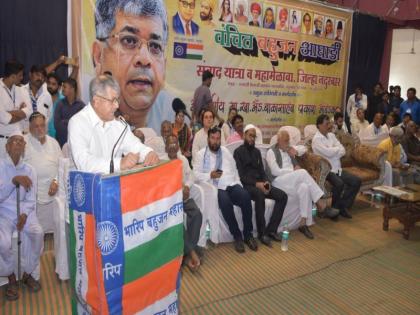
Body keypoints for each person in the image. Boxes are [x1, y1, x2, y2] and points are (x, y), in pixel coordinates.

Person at [92, 0, 173, 133]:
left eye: (155, 46)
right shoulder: (86, 130)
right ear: (98, 56)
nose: (145, 59)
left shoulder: (159, 137)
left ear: (164, 66)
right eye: (129, 40)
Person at [68, 75, 159, 173]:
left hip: (114, 185)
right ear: (96, 101)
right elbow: (84, 163)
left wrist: (148, 153)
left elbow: (135, 146)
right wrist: (119, 164)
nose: (117, 106)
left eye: (117, 100)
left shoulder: (119, 124)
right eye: (113, 100)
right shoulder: (78, 122)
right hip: (86, 186)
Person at [193, 127, 257, 253]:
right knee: (225, 202)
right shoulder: (201, 155)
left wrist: (238, 184)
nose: (215, 142)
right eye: (213, 138)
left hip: (231, 184)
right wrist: (209, 175)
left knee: (245, 197)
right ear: (208, 139)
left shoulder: (225, 152)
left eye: (218, 139)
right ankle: (237, 236)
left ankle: (248, 235)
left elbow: (235, 169)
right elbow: (195, 175)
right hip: (215, 187)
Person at [0, 133, 43, 300]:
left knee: (37, 233)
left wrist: (24, 214)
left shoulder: (30, 170)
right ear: (7, 146)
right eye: (14, 141)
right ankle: (10, 276)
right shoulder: (1, 167)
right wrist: (13, 181)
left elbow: (31, 199)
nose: (18, 143)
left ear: (24, 148)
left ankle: (27, 273)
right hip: (3, 213)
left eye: (21, 141)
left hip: (25, 213)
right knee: (2, 243)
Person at [234, 124, 288, 247]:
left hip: (261, 183)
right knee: (259, 194)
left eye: (254, 136)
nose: (252, 138)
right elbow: (241, 176)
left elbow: (262, 171)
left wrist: (266, 181)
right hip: (247, 185)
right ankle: (262, 233)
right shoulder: (238, 152)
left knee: (282, 196)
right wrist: (257, 184)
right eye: (250, 136)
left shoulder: (257, 152)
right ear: (244, 136)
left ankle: (272, 230)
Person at [266, 131, 327, 239]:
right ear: (278, 141)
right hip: (278, 181)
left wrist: (295, 151)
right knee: (302, 173)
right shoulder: (271, 151)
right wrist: (293, 170)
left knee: (304, 187)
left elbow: (304, 148)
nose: (287, 143)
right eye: (285, 141)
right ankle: (319, 201)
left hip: (291, 180)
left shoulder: (289, 149)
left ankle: (303, 223)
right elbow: (275, 171)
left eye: (288, 140)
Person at [312, 115, 361, 219]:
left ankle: (341, 207)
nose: (329, 126)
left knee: (356, 181)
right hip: (326, 171)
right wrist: (335, 150)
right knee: (339, 183)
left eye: (329, 123)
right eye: (326, 124)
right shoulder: (316, 140)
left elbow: (342, 150)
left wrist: (333, 150)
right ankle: (334, 211)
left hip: (337, 169)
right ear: (319, 125)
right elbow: (328, 153)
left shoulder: (332, 136)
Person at [165, 135, 203, 270]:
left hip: (184, 197)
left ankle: (187, 251)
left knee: (197, 214)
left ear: (178, 146)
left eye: (175, 143)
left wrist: (187, 186)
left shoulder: (183, 160)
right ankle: (191, 252)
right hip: (170, 202)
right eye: (170, 144)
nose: (173, 146)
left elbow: (191, 175)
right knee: (177, 220)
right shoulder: (162, 162)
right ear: (165, 146)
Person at [23, 112, 62, 233]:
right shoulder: (23, 143)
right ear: (30, 128)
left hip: (54, 193)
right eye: (36, 126)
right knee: (37, 233)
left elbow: (62, 166)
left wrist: (56, 181)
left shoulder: (53, 142)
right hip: (33, 197)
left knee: (56, 231)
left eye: (42, 125)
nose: (40, 129)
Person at [0, 60, 31, 158]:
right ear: (12, 76)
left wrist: (10, 112)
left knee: (20, 171)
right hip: (3, 142)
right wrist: (21, 112)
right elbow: (5, 119)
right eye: (20, 75)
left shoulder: (20, 89)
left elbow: (29, 111)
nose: (22, 78)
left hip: (20, 139)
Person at [54, 78, 85, 147]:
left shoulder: (81, 106)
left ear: (72, 89)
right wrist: (72, 121)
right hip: (60, 143)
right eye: (62, 86)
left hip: (76, 144)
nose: (62, 89)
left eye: (65, 87)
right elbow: (57, 125)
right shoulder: (59, 104)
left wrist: (64, 121)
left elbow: (81, 127)